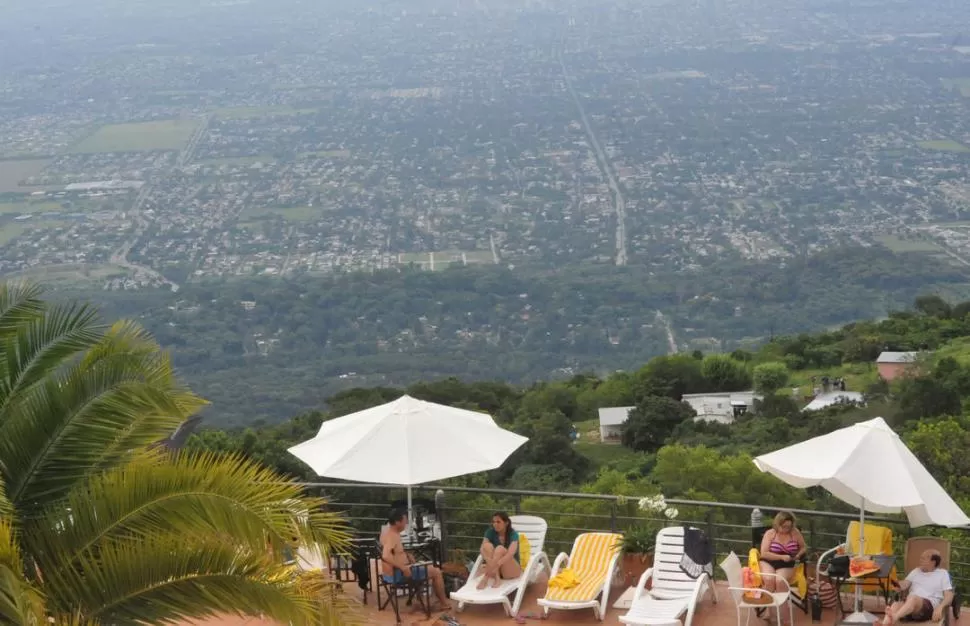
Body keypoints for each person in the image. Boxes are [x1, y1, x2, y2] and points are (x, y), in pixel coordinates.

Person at [379, 508, 451, 610]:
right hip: (398, 574)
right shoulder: (392, 536)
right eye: (405, 521)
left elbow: (393, 552)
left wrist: (407, 555)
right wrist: (403, 567)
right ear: (397, 522)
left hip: (393, 573)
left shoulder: (387, 532)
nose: (406, 523)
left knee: (425, 566)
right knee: (436, 571)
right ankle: (444, 604)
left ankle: (421, 600)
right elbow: (385, 556)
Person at [760, 511, 807, 624]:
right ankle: (769, 612)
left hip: (787, 563)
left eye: (789, 526)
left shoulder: (795, 533)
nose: (786, 529)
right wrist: (781, 557)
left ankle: (784, 616)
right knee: (769, 579)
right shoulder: (770, 533)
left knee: (780, 581)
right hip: (769, 561)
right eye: (784, 526)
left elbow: (804, 547)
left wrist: (798, 555)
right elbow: (764, 553)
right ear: (777, 524)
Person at [883, 549, 953, 625]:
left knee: (913, 598)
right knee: (895, 605)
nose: (920, 560)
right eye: (921, 558)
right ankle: (884, 624)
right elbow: (905, 583)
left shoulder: (942, 574)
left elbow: (949, 595)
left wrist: (940, 607)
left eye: (923, 558)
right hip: (909, 607)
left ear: (933, 562)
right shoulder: (916, 571)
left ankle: (894, 618)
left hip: (928, 608)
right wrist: (899, 585)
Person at [476, 511, 523, 589]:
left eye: (498, 522)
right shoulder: (490, 532)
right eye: (494, 522)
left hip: (511, 570)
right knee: (487, 546)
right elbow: (482, 548)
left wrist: (495, 564)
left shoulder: (513, 534)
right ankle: (497, 578)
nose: (495, 524)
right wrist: (488, 560)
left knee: (499, 548)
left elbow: (510, 553)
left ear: (506, 523)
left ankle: (486, 577)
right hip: (496, 571)